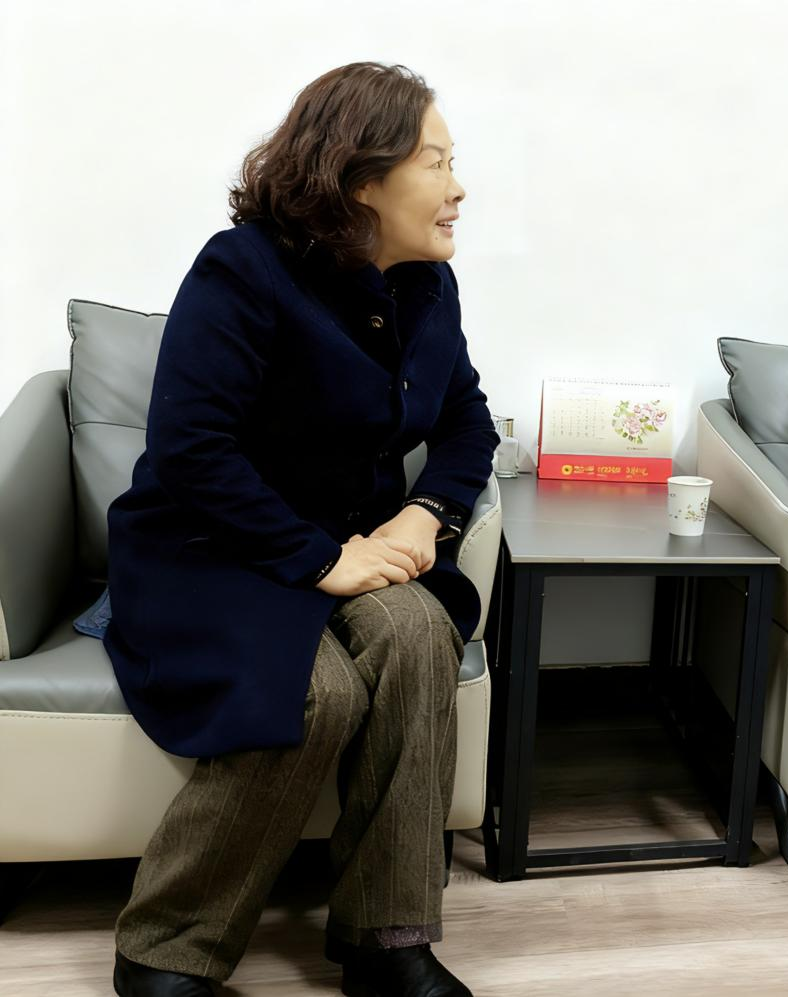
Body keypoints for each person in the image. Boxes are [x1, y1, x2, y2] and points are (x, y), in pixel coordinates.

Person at [104, 62, 496, 997]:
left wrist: (426, 511)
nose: (459, 187)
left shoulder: (427, 287)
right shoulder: (242, 268)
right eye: (436, 162)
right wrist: (320, 558)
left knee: (418, 635)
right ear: (362, 179)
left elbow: (468, 422)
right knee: (315, 691)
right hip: (214, 546)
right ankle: (165, 946)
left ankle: (386, 940)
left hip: (352, 545)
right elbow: (192, 450)